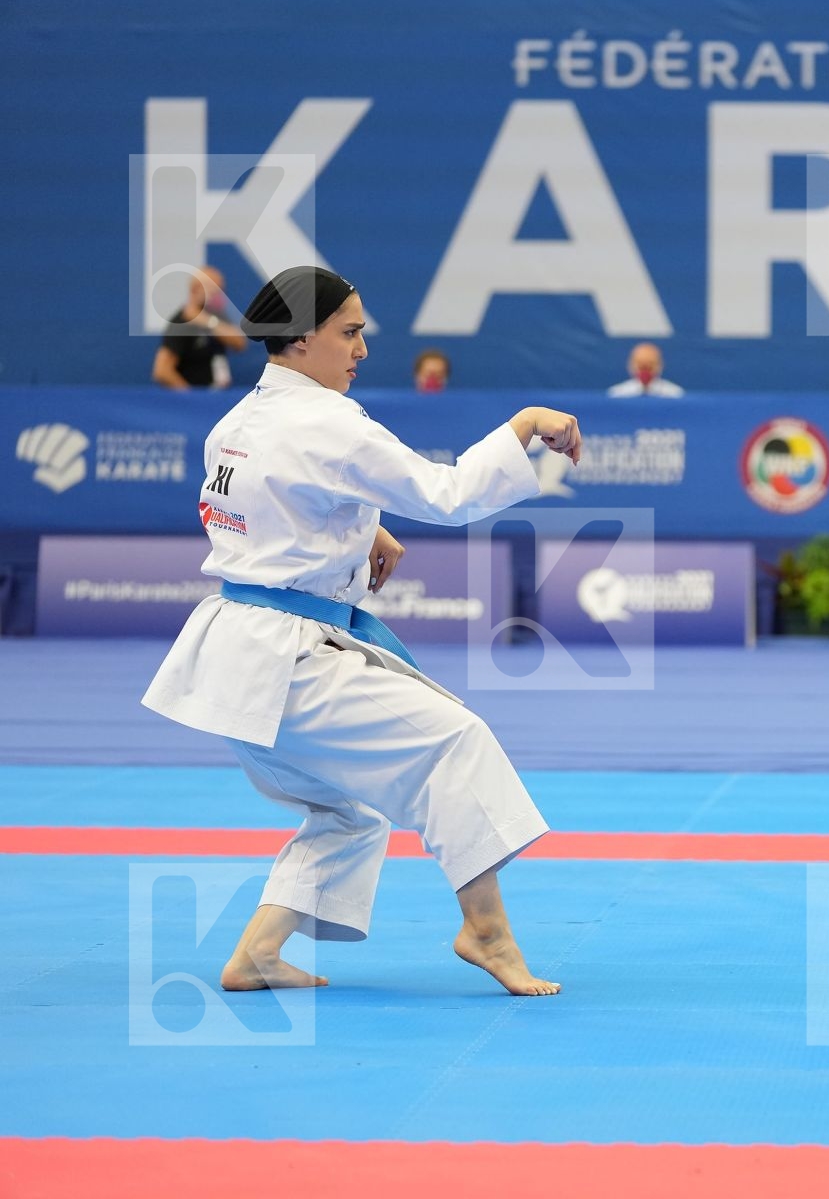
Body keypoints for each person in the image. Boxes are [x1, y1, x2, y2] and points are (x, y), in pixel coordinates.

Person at [142, 265, 583, 997]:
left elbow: (271, 505)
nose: (362, 350)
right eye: (350, 333)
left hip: (233, 660)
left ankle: (256, 955)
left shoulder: (236, 422)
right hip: (286, 661)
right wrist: (527, 424)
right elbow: (447, 495)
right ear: (305, 337)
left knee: (343, 815)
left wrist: (363, 527)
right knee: (455, 739)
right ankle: (485, 931)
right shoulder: (329, 422)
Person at [152, 266, 246, 391]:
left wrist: (206, 321)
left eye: (221, 291)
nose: (219, 296)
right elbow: (162, 371)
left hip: (217, 395)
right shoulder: (181, 323)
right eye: (214, 290)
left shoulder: (215, 316)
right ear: (196, 289)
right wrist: (192, 398)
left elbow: (240, 344)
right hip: (196, 401)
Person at [607, 342, 684, 397]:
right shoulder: (617, 395)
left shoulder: (674, 395)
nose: (645, 370)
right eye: (640, 365)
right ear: (630, 365)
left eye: (650, 364)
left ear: (660, 365)